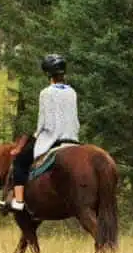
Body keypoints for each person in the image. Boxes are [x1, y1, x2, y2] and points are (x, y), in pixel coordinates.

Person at [6, 54, 80, 212]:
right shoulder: (72, 92)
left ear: (48, 74)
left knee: (19, 161)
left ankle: (19, 201)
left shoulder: (46, 93)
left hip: (51, 139)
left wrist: (34, 136)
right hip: (72, 138)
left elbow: (43, 122)